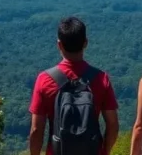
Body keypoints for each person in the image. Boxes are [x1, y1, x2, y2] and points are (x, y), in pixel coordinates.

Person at [29, 17, 120, 155]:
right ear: (85, 43)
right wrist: (104, 151)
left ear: (59, 45)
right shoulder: (101, 79)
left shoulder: (44, 80)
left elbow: (36, 129)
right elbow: (113, 125)